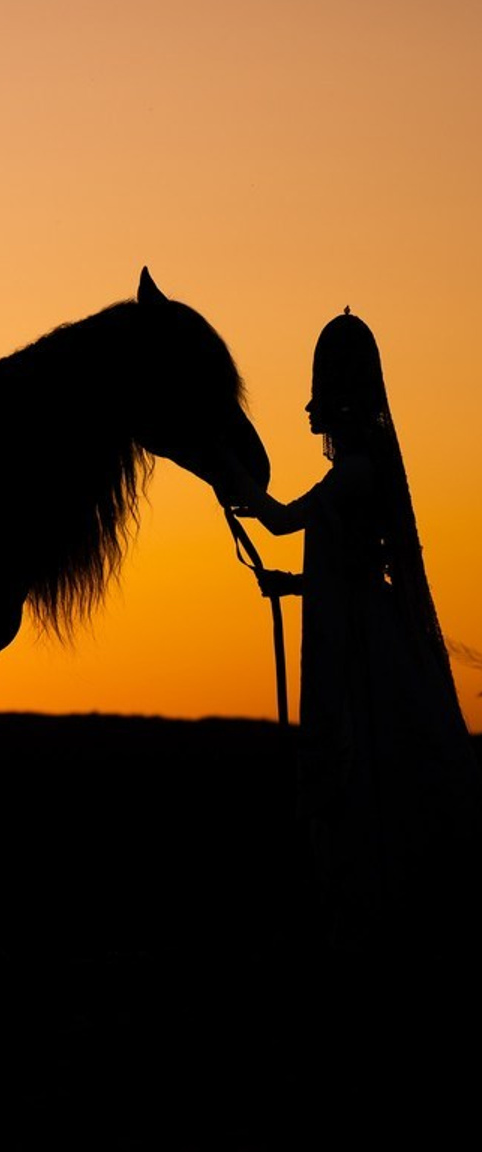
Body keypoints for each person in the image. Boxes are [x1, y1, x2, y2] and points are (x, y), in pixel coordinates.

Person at [219, 309, 481, 953]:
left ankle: (375, 917)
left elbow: (285, 521)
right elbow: (344, 568)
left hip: (358, 647)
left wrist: (230, 478)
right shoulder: (356, 477)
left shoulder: (355, 477)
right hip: (355, 627)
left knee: (365, 772)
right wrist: (288, 583)